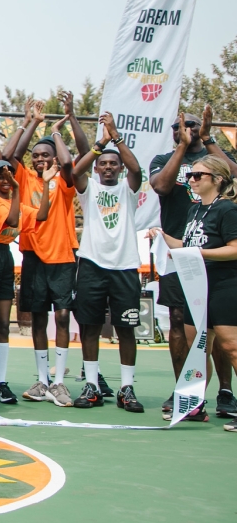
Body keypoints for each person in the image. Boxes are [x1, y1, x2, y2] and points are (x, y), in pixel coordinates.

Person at [150, 107, 237, 418]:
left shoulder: (227, 210)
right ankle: (193, 403)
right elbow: (187, 245)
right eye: (190, 175)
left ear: (216, 178)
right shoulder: (194, 209)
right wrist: (165, 237)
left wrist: (200, 254)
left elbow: (233, 249)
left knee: (230, 347)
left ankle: (226, 394)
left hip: (223, 284)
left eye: (197, 175)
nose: (191, 180)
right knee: (197, 352)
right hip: (195, 285)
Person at [68, 113, 145, 412]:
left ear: (120, 168)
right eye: (104, 163)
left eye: (114, 163)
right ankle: (91, 384)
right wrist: (100, 142)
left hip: (125, 265)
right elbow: (76, 172)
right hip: (92, 265)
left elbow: (137, 169)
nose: (109, 167)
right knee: (90, 326)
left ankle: (127, 388)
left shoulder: (128, 188)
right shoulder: (90, 190)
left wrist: (118, 138)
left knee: (126, 328)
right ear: (98, 167)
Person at [6, 103, 80, 408]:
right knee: (37, 318)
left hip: (62, 256)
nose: (39, 159)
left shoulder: (62, 182)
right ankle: (41, 380)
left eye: (44, 155)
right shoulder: (24, 179)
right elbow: (11, 157)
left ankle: (59, 381)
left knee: (61, 316)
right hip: (33, 256)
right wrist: (31, 123)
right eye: (36, 155)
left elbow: (68, 164)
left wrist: (55, 134)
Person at [0, 158, 29, 405]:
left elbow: (41, 215)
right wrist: (18, 188)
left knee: (2, 324)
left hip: (5, 259)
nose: (6, 180)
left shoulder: (17, 202)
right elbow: (10, 222)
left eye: (9, 176)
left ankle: (1, 381)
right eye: (0, 176)